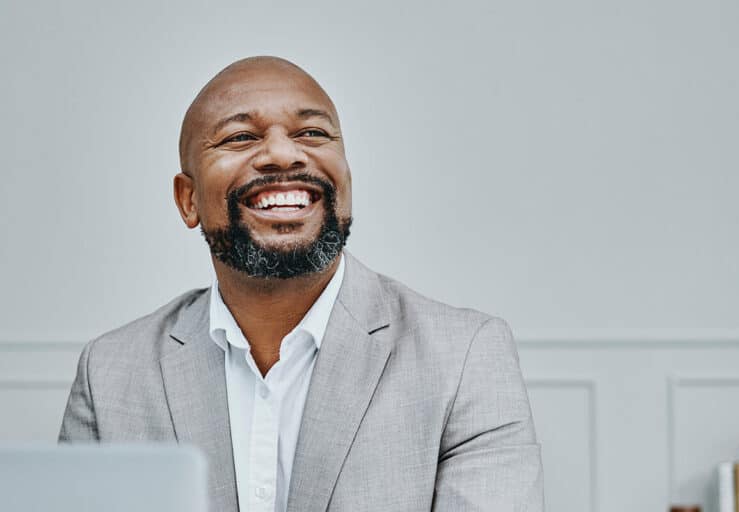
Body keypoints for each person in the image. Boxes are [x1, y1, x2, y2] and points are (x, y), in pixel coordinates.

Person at [59, 56, 544, 512]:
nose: (281, 153)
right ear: (188, 200)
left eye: (312, 132)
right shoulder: (110, 374)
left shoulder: (463, 357)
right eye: (240, 137)